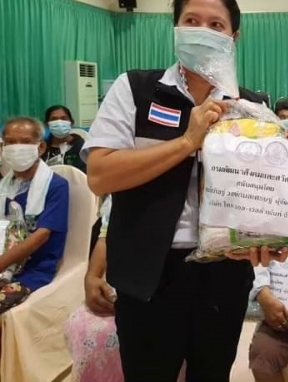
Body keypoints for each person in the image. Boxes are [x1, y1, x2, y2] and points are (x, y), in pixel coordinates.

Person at [82, 0, 288, 382]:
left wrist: (271, 237)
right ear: (176, 28)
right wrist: (187, 142)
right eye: (192, 21)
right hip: (147, 271)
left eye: (216, 24)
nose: (202, 32)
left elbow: (265, 195)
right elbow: (100, 174)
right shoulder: (136, 89)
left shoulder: (251, 106)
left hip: (224, 272)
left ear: (234, 37)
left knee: (212, 373)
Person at [65, 196, 185, 382]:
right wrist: (92, 276)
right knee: (84, 328)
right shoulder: (124, 192)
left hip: (178, 287)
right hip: (129, 288)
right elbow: (106, 235)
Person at [0, 117, 69, 313]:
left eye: (25, 141)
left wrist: (2, 263)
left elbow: (41, 236)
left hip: (33, 271)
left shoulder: (56, 186)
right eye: (10, 142)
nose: (17, 148)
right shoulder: (5, 187)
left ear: (40, 147)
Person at [42, 105, 87, 172]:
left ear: (71, 122)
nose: (59, 122)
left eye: (64, 118)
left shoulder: (81, 147)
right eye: (54, 119)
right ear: (46, 124)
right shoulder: (42, 148)